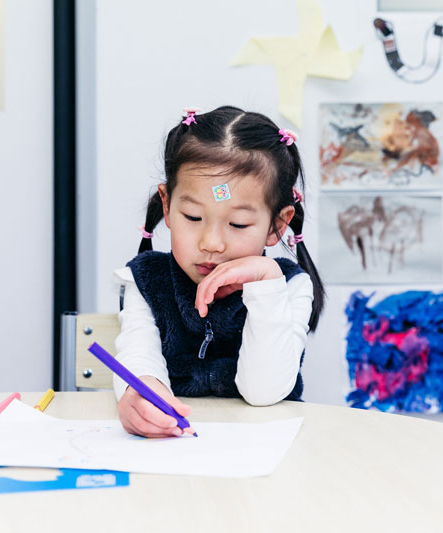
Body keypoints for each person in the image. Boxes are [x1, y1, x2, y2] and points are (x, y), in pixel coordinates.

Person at [112, 106, 324, 438]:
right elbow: (140, 353)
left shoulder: (289, 286)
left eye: (238, 224)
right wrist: (142, 390)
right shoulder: (147, 280)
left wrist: (266, 283)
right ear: (167, 206)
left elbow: (264, 392)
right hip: (171, 446)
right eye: (193, 217)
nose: (211, 243)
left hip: (261, 449)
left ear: (277, 225)